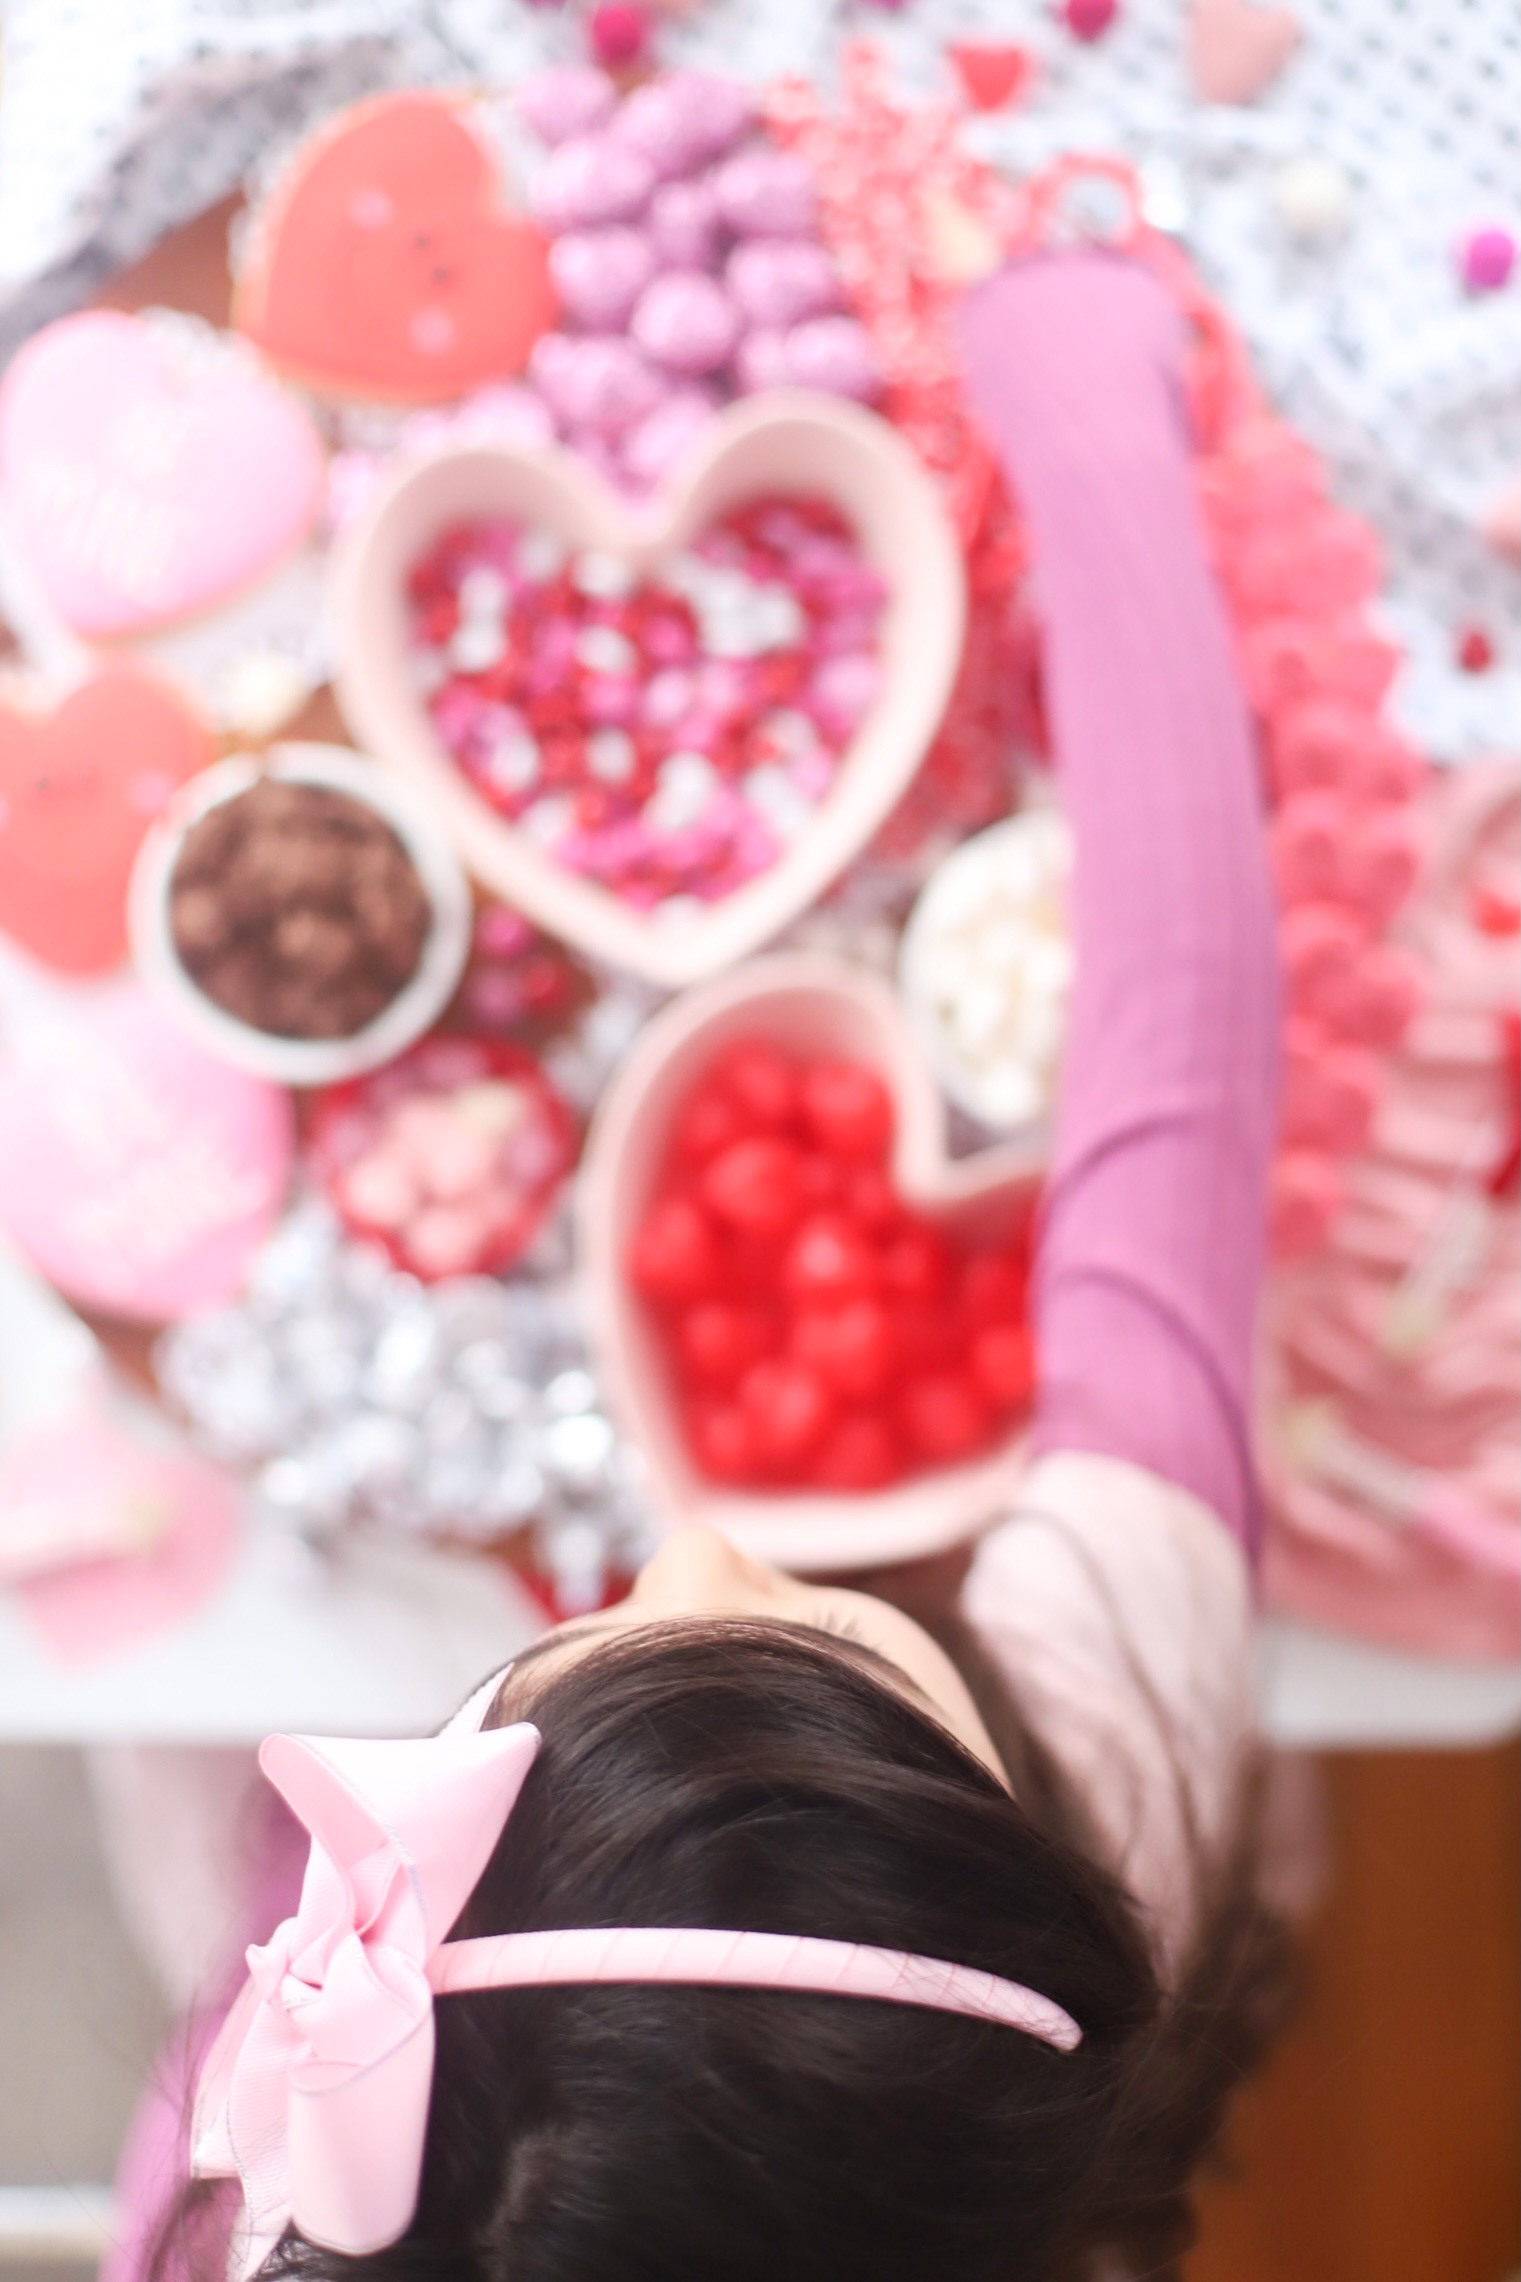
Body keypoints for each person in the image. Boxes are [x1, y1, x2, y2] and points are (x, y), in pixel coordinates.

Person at [132, 248, 1287, 2282]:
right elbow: (1174, 1065)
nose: (699, 1549)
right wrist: (1088, 414)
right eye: (821, 1650)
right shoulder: (1112, 1752)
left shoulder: (306, 2159)